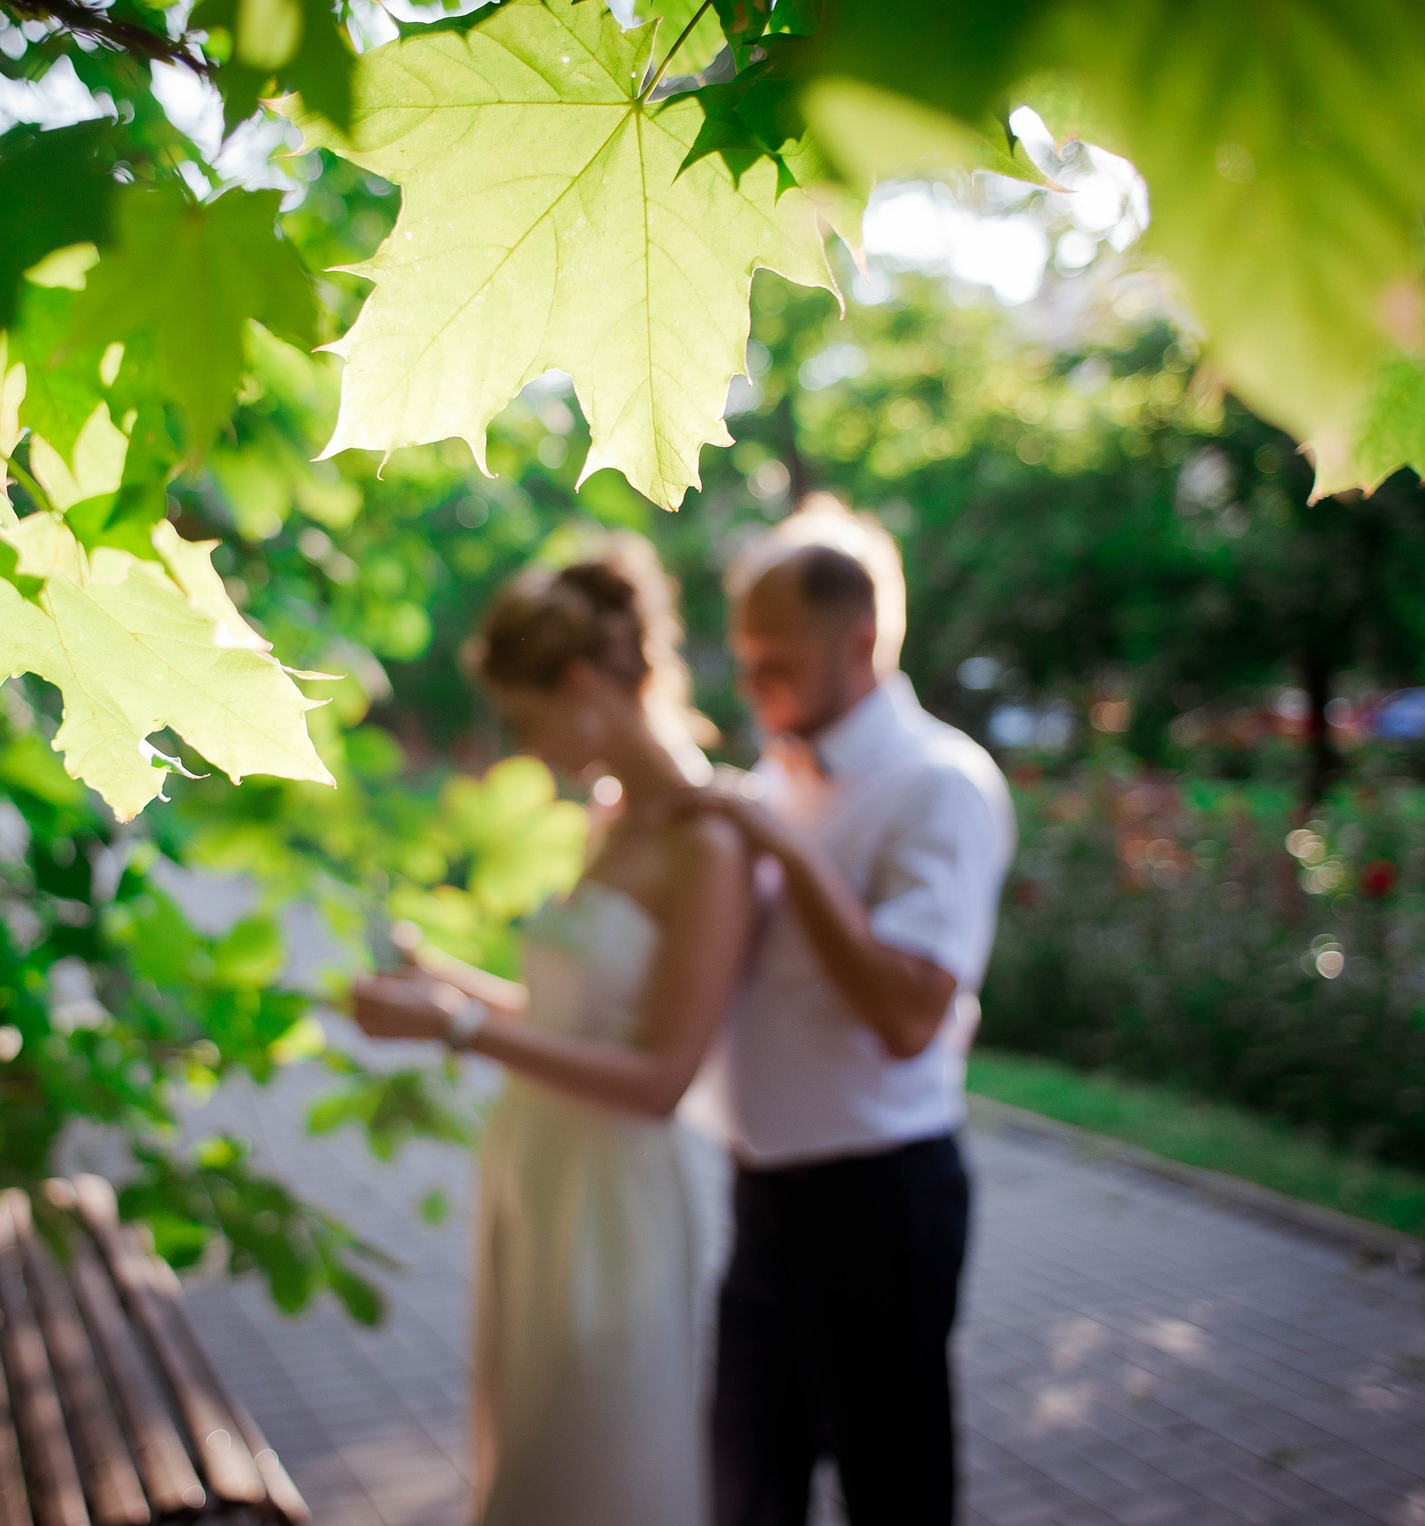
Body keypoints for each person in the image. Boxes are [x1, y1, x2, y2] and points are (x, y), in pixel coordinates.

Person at [347, 538, 752, 1526]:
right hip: (535, 1165)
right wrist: (446, 981)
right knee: (526, 1443)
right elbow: (571, 1017)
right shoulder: (609, 814)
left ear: (581, 683)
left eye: (525, 719)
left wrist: (455, 1024)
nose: (525, 746)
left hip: (615, 1194)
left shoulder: (709, 839)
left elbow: (659, 1074)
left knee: (597, 1461)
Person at [681, 499, 1015, 1526]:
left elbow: (908, 1013)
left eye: (771, 660)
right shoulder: (778, 776)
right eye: (742, 660)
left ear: (857, 641)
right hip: (763, 1197)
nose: (750, 686)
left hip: (879, 1202)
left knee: (893, 1487)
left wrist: (782, 847)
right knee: (746, 1488)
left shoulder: (938, 783)